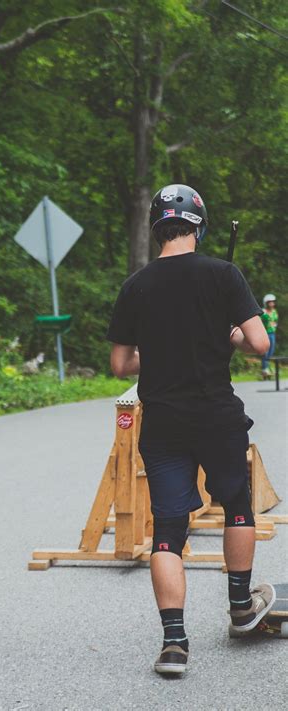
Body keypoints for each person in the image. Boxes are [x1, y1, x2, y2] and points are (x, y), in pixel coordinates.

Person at [107, 184, 275, 675]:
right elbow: (260, 344)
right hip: (217, 417)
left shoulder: (135, 285)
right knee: (237, 507)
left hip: (163, 422)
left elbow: (121, 364)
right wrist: (231, 336)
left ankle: (174, 645)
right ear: (197, 226)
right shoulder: (225, 275)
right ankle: (242, 609)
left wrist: (156, 352)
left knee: (168, 532)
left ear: (157, 227)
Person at [260, 293, 278, 378]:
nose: (272, 304)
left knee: (271, 351)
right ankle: (264, 368)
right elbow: (258, 322)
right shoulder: (263, 312)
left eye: (273, 302)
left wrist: (275, 324)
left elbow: (275, 321)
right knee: (265, 352)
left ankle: (267, 367)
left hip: (272, 333)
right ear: (266, 303)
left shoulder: (274, 311)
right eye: (270, 302)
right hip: (265, 333)